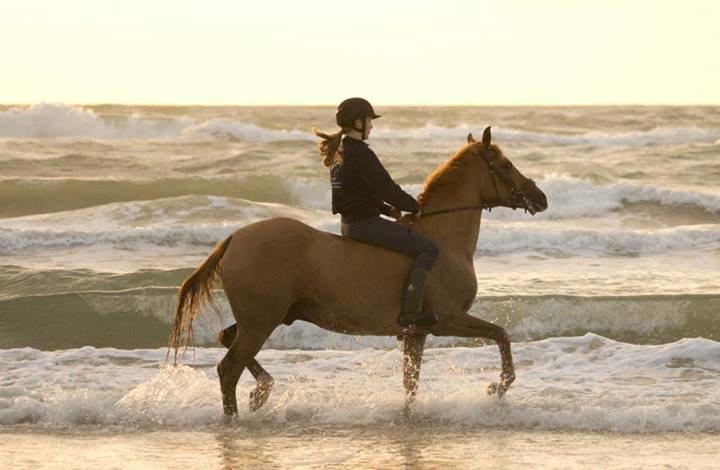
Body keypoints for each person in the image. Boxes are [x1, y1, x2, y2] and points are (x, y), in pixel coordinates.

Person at [313, 97, 439, 328]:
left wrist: (388, 210)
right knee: (428, 248)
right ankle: (411, 313)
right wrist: (416, 206)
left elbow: (357, 192)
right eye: (370, 120)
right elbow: (385, 187)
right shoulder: (360, 153)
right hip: (365, 225)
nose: (372, 126)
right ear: (359, 122)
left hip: (350, 223)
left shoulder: (341, 151)